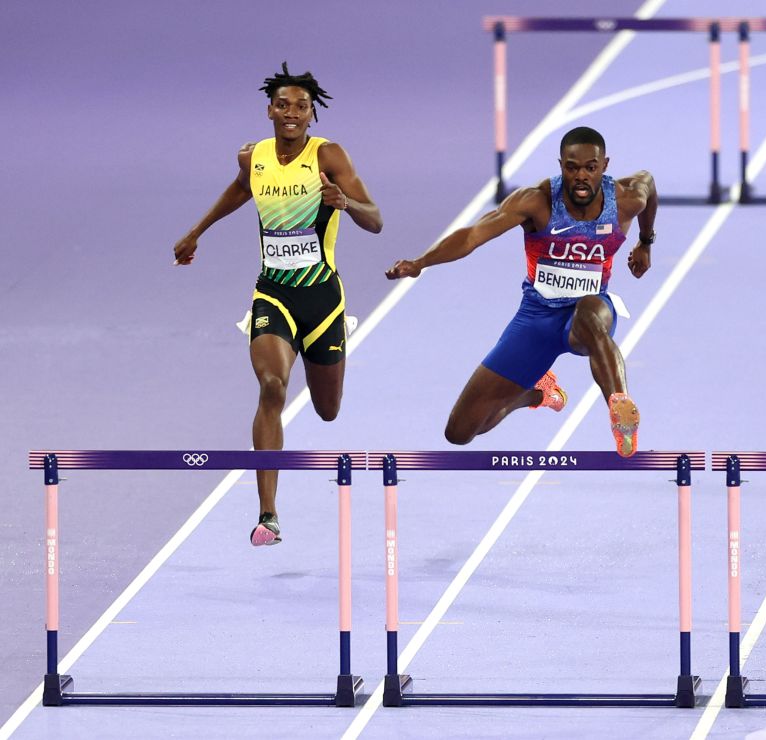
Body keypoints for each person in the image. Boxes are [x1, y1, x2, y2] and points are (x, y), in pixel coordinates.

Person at [173, 63, 382, 546]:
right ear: (270, 109)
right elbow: (241, 190)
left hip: (323, 300)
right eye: (283, 105)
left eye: (301, 107)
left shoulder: (328, 156)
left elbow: (376, 221)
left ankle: (326, 355)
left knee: (328, 410)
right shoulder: (254, 157)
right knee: (271, 385)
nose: (291, 113)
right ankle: (269, 515)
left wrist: (344, 204)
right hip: (273, 293)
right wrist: (196, 232)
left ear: (312, 115)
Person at [386, 126, 655, 457]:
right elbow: (472, 235)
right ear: (561, 166)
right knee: (460, 431)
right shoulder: (536, 202)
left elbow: (650, 184)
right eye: (572, 168)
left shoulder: (626, 199)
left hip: (589, 312)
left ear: (604, 165)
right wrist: (421, 262)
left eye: (590, 167)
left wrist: (646, 242)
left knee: (589, 313)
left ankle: (620, 409)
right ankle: (539, 393)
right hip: (536, 319)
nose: (581, 176)